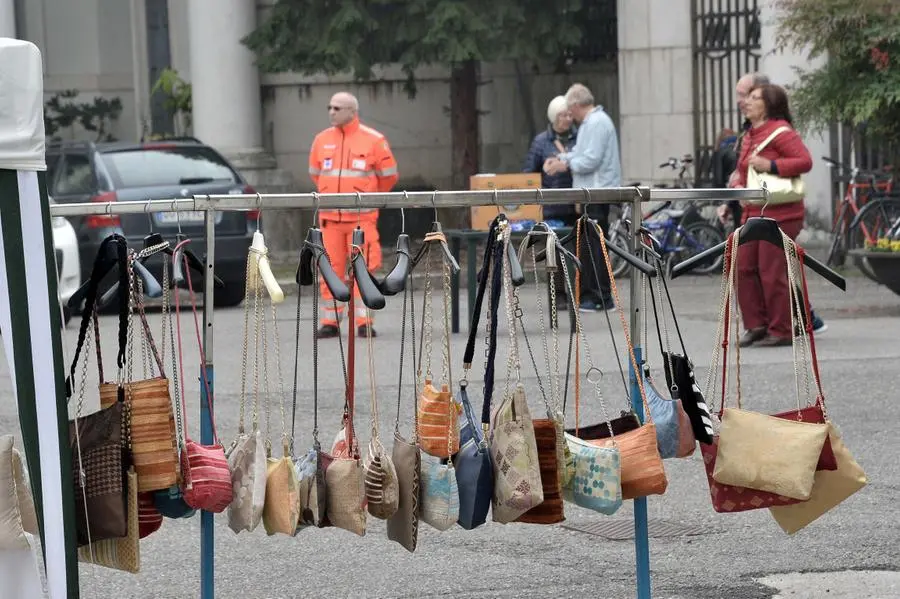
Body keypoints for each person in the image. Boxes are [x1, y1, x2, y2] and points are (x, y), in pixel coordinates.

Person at [727, 73, 827, 335]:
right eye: (745, 97)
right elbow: (744, 171)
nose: (745, 102)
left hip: (781, 211)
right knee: (743, 266)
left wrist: (770, 165)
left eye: (753, 98)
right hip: (753, 210)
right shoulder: (750, 133)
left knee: (771, 271)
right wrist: (737, 183)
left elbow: (804, 161)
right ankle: (756, 325)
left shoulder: (780, 131)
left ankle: (781, 329)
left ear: (768, 105)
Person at [308, 92, 399, 338]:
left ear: (352, 111)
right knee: (329, 271)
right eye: (330, 107)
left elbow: (389, 175)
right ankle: (331, 322)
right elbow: (316, 174)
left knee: (365, 270)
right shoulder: (321, 140)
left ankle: (364, 322)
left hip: (361, 220)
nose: (331, 112)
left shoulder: (373, 140)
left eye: (337, 108)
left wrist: (370, 199)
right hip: (330, 222)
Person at [544, 83, 622, 312]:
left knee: (595, 248)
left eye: (571, 108)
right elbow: (581, 153)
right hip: (592, 193)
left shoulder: (596, 123)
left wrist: (563, 165)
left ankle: (601, 296)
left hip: (597, 192)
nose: (571, 114)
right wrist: (562, 158)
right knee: (589, 246)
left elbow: (591, 160)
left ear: (577, 105)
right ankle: (592, 294)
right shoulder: (592, 123)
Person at [523, 95, 578, 308]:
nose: (567, 119)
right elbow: (529, 174)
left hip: (574, 203)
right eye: (562, 115)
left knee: (576, 250)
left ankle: (578, 292)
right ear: (554, 117)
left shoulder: (579, 138)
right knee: (554, 253)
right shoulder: (541, 142)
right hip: (551, 207)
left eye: (569, 114)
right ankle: (559, 295)